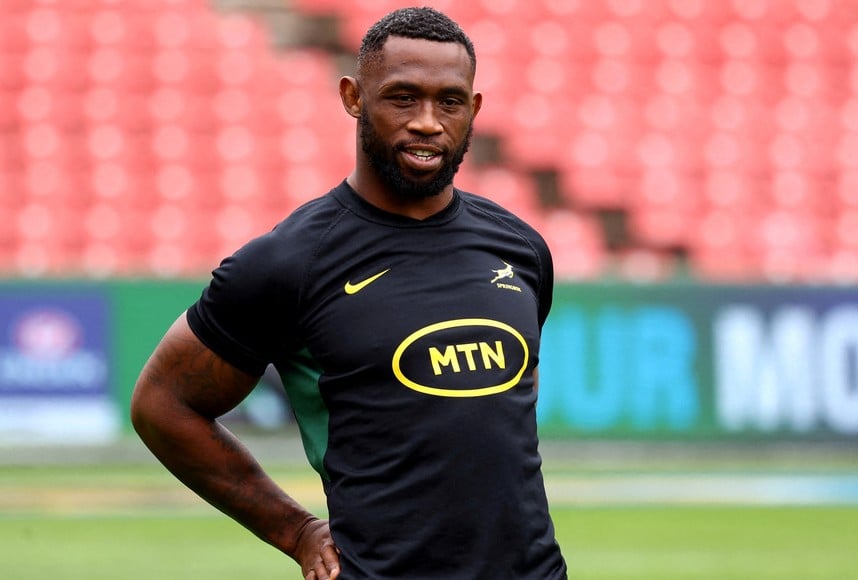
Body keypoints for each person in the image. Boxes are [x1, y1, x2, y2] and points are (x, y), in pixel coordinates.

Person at [130, 6, 568, 579]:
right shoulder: (287, 262)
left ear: (475, 108)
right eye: (403, 97)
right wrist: (297, 530)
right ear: (353, 97)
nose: (428, 122)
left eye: (450, 101)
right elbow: (162, 405)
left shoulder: (521, 249)